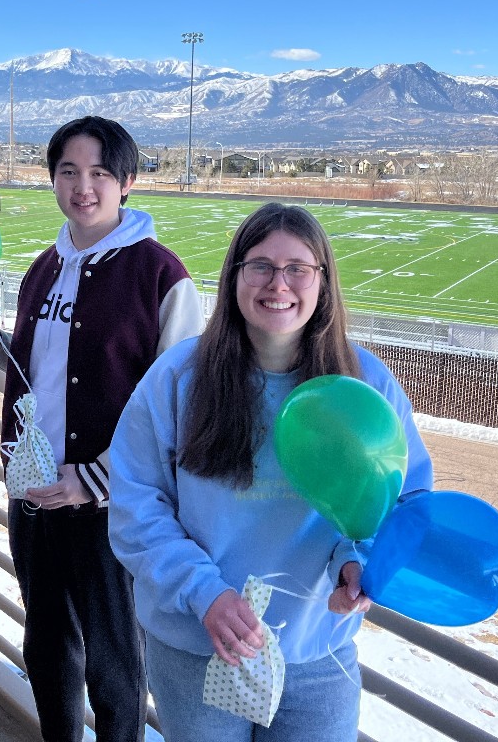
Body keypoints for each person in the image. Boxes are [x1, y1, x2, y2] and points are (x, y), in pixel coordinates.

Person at [108, 202, 434, 742]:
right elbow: (135, 503)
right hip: (198, 648)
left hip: (316, 650)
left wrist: (360, 561)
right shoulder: (177, 378)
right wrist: (204, 593)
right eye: (259, 265)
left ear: (323, 281)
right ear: (234, 276)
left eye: (297, 268)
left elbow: (403, 498)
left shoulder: (365, 383)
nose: (277, 283)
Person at [0, 116, 204, 742]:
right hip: (35, 499)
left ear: (128, 182)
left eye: (98, 173)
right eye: (68, 171)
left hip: (110, 512)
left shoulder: (161, 277)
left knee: (116, 665)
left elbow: (177, 406)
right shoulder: (45, 268)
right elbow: (34, 368)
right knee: (47, 648)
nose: (82, 186)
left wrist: (93, 480)